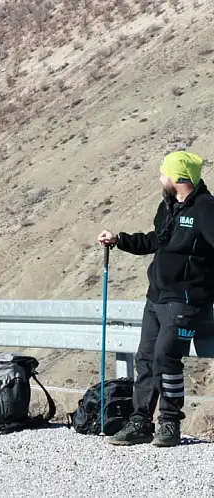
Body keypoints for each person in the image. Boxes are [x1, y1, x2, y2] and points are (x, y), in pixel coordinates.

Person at [98, 151, 214, 447]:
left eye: (163, 173)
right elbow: (156, 240)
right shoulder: (168, 207)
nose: (160, 177)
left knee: (166, 357)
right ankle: (140, 422)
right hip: (156, 297)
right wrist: (120, 240)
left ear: (178, 178)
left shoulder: (206, 210)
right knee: (146, 359)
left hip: (186, 300)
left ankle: (170, 423)